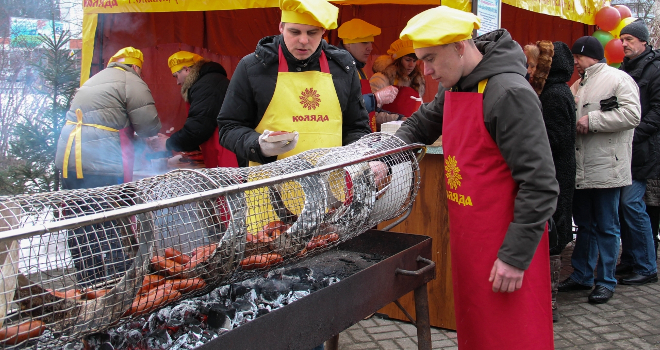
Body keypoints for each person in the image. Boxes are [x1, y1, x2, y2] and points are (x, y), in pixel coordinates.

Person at [394, 6, 559, 349]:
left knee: (511, 337)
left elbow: (540, 184)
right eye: (420, 59)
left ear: (460, 47)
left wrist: (515, 257)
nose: (426, 70)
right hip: (471, 241)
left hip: (508, 244)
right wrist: (387, 154)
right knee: (477, 333)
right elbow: (422, 124)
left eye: (431, 59)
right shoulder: (456, 86)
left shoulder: (508, 93)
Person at [217, 0, 371, 166]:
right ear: (281, 28)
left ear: (323, 31)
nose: (303, 40)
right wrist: (259, 146)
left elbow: (356, 127)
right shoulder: (253, 67)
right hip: (269, 185)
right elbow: (229, 127)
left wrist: (360, 160)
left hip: (328, 185)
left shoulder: (342, 67)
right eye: (294, 32)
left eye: (312, 33)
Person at [55, 46, 162, 286]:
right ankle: (119, 280)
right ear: (136, 66)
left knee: (78, 219)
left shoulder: (94, 80)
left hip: (69, 158)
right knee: (110, 218)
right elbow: (149, 125)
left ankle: (89, 280)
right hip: (99, 160)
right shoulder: (129, 79)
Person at [557, 36, 641, 304]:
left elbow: (632, 115)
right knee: (585, 225)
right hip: (583, 169)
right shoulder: (577, 84)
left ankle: (606, 281)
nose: (575, 63)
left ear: (588, 55)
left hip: (607, 168)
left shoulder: (619, 79)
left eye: (577, 57)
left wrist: (593, 120)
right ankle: (582, 275)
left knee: (606, 227)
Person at [523, 40, 576, 322]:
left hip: (556, 172)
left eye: (533, 65)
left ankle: (549, 303)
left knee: (552, 237)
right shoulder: (555, 91)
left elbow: (556, 138)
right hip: (557, 171)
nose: (530, 71)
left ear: (547, 65)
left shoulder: (554, 95)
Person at [615, 19, 660, 284]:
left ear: (643, 41)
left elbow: (657, 112)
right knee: (623, 207)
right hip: (627, 149)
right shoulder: (625, 68)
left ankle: (646, 267)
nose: (623, 44)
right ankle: (632, 259)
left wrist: (632, 132)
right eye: (622, 39)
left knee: (631, 203)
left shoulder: (655, 69)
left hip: (645, 149)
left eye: (629, 39)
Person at [148, 51, 241, 167]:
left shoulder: (207, 85)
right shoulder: (210, 81)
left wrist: (169, 143)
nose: (177, 82)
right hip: (223, 147)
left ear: (187, 69)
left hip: (226, 152)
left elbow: (199, 127)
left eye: (176, 76)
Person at [370, 38, 425, 121]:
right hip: (386, 132)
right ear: (397, 60)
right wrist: (398, 119)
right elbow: (371, 113)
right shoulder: (381, 79)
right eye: (408, 60)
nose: (411, 65)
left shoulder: (416, 82)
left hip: (410, 130)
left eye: (414, 61)